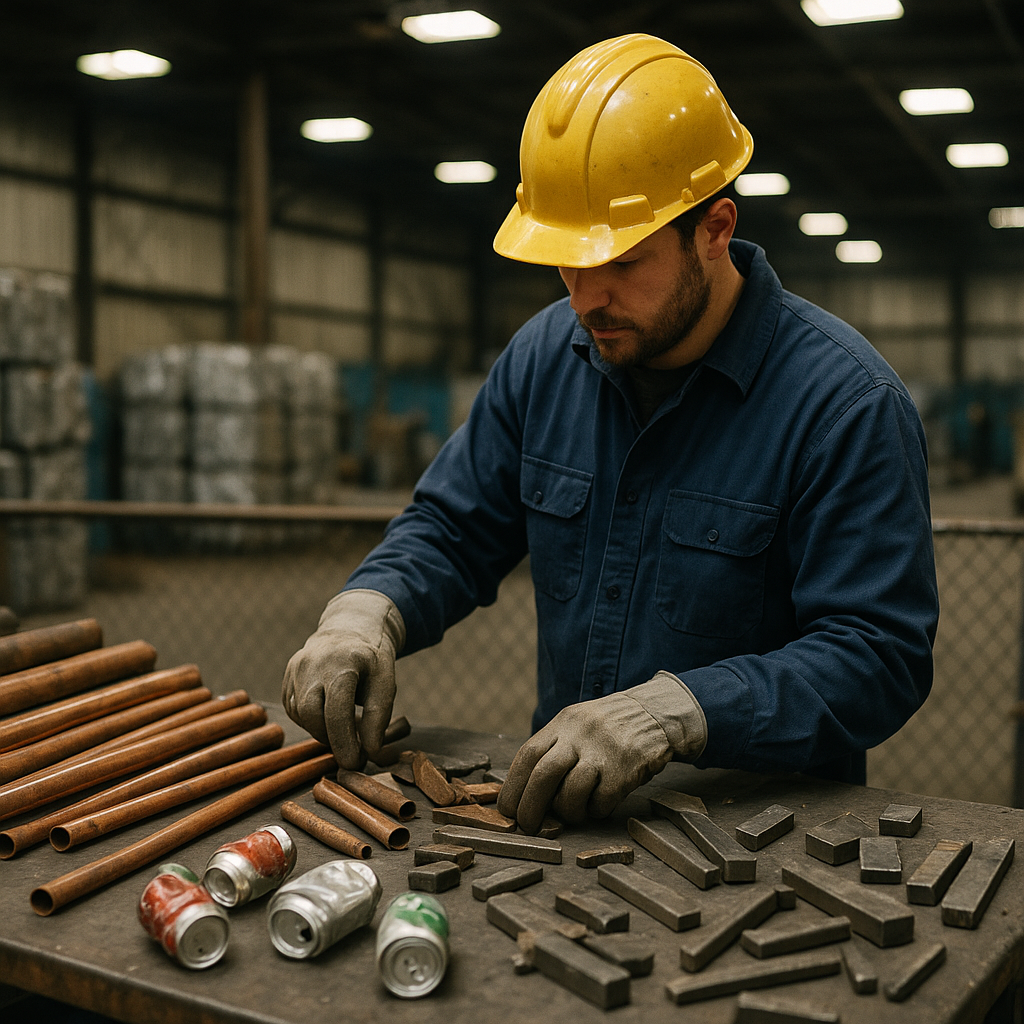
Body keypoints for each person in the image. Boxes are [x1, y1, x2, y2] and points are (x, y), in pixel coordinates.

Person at [282, 33, 939, 834]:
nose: (586, 296)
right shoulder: (543, 359)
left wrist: (680, 712)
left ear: (715, 228)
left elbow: (878, 653)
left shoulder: (844, 403)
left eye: (621, 260)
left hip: (761, 842)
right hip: (560, 820)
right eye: (567, 259)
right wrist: (366, 610)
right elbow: (453, 529)